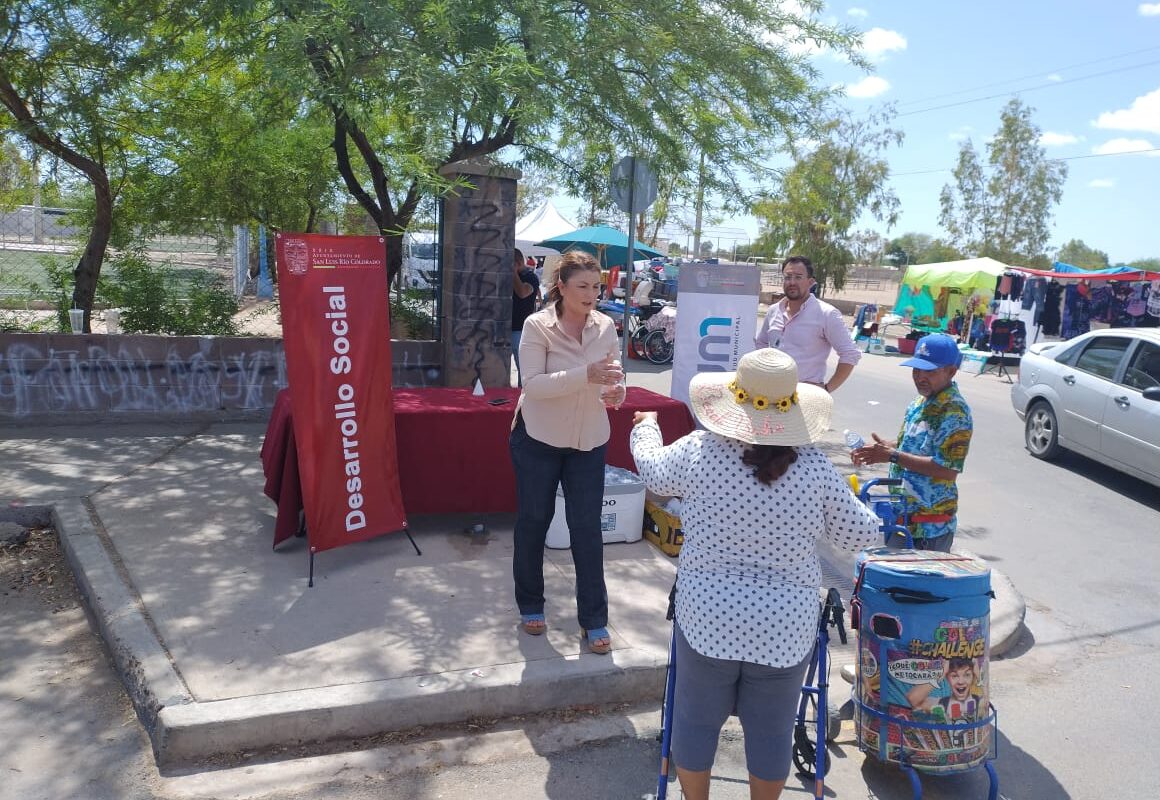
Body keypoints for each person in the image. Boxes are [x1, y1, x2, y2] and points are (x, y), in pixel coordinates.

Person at [630, 348, 881, 800]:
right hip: (785, 627)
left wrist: (645, 427)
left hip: (708, 616)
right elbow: (860, 534)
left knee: (696, 723)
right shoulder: (816, 470)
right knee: (770, 732)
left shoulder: (700, 452)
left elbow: (652, 471)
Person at [509, 250, 625, 654]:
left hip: (589, 440)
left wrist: (616, 391)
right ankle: (530, 605)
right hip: (538, 438)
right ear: (561, 287)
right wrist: (584, 376)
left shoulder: (606, 325)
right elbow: (533, 385)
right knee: (534, 521)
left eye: (596, 286)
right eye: (583, 286)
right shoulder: (537, 325)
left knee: (588, 530)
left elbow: (614, 373)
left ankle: (594, 620)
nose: (592, 294)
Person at [851, 332, 973, 552]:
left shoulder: (955, 412)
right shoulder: (919, 402)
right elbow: (913, 445)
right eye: (916, 370)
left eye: (929, 371)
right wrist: (886, 448)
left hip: (929, 528)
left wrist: (892, 456)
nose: (920, 377)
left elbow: (946, 470)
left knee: (919, 585)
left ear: (951, 371)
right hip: (902, 518)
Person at [754, 255, 862, 392]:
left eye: (798, 277)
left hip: (806, 396)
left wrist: (826, 389)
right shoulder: (773, 311)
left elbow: (850, 353)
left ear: (810, 282)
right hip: (769, 392)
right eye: (788, 277)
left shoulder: (826, 314)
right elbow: (761, 344)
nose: (792, 282)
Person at [511, 247, 540, 387]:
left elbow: (523, 292)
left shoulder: (530, 277)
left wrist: (513, 273)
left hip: (520, 329)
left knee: (523, 370)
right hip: (505, 327)